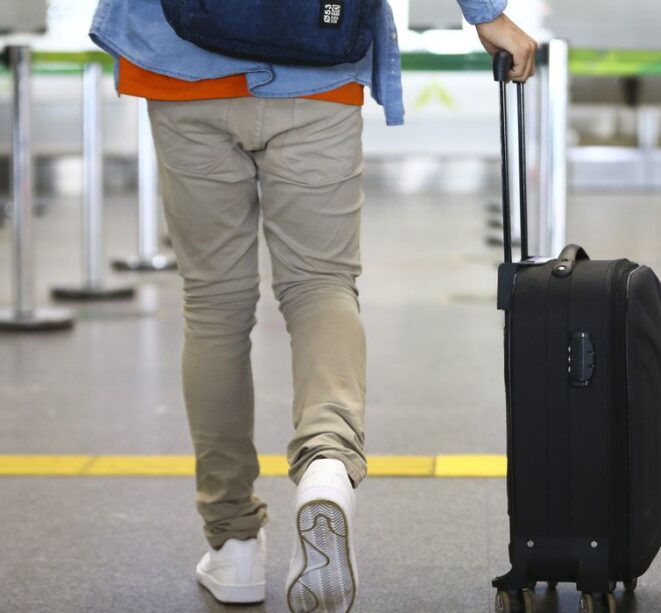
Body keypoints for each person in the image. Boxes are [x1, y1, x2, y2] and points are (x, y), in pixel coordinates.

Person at [89, 1, 537, 611]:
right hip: (319, 63)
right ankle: (327, 461)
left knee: (215, 306)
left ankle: (234, 544)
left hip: (180, 60)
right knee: (321, 286)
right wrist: (485, 13)